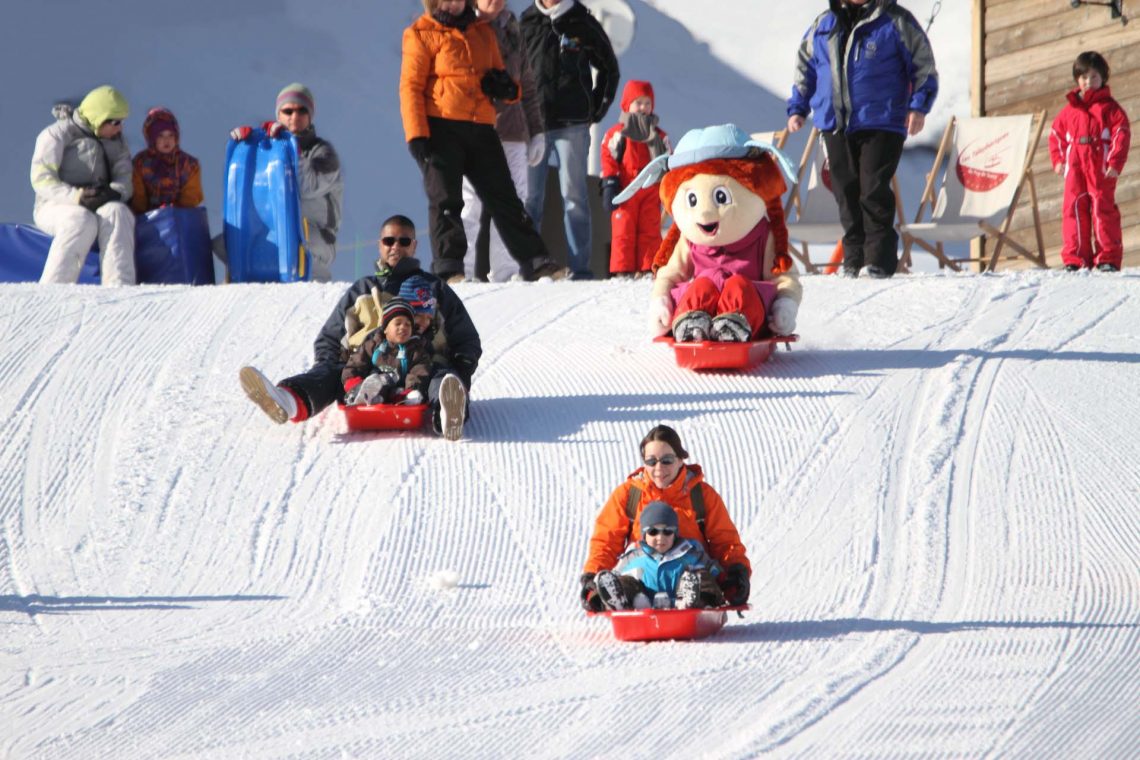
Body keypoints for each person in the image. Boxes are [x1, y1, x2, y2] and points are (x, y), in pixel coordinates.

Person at [239, 214, 480, 441]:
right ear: (380, 245)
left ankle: (447, 412)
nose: (396, 246)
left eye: (404, 241)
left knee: (443, 377)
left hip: (423, 368)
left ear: (414, 246)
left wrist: (460, 372)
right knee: (333, 373)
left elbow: (465, 337)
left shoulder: (433, 288)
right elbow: (330, 339)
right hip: (367, 371)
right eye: (389, 240)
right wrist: (329, 366)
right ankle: (289, 401)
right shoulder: (363, 290)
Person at [400, 0, 565, 283]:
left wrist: (505, 88)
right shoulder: (421, 32)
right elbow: (411, 86)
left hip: (481, 127)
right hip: (442, 126)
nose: (453, 4)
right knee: (447, 200)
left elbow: (503, 78)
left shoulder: (482, 32)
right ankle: (450, 267)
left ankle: (536, 261)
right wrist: (417, 134)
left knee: (505, 198)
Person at [786, 0, 937, 279]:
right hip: (835, 123)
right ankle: (854, 260)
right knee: (846, 191)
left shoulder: (895, 21)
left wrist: (917, 106)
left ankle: (878, 259)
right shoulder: (823, 25)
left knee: (873, 187)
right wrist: (798, 107)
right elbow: (805, 66)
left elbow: (923, 64)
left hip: (882, 121)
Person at [579, 425, 751, 612]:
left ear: (680, 459)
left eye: (667, 460)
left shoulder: (700, 496)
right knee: (626, 582)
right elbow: (606, 541)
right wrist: (592, 578)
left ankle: (692, 600)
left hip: (689, 573)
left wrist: (735, 572)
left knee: (702, 581)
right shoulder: (630, 495)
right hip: (643, 579)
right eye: (651, 461)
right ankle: (623, 599)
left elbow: (724, 541)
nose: (659, 468)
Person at [520, 0, 620, 279]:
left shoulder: (581, 21)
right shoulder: (527, 22)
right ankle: (530, 266)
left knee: (574, 197)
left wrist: (595, 110)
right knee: (530, 200)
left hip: (572, 125)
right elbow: (510, 68)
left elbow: (609, 67)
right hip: (533, 126)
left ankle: (580, 270)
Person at [460, 0, 547, 283]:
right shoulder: (463, 25)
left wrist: (536, 130)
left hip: (513, 132)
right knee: (470, 203)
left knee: (513, 204)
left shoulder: (512, 27)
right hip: (475, 128)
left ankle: (506, 270)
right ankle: (462, 271)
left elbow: (528, 83)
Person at [228, 83, 343, 282]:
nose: (294, 116)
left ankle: (316, 297)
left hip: (315, 237)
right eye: (288, 111)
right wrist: (244, 147)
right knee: (229, 240)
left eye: (301, 111)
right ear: (278, 115)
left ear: (310, 115)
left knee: (296, 245)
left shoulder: (324, 154)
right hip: (277, 228)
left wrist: (289, 147)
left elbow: (307, 187)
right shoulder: (270, 149)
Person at [30, 85, 136, 285]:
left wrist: (113, 193)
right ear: (98, 118)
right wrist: (75, 197)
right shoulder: (57, 135)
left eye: (122, 122)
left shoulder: (116, 142)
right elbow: (42, 178)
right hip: (55, 204)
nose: (119, 128)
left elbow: (125, 177)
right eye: (115, 122)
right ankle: (54, 287)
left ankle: (120, 286)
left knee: (118, 213)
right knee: (80, 220)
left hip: (98, 201)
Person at [1049, 51, 1130, 273]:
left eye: (1094, 77)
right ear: (1077, 79)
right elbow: (1056, 135)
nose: (1088, 82)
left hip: (1099, 165)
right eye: (1084, 77)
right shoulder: (1070, 110)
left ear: (1103, 78)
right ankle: (1076, 258)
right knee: (1073, 209)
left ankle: (1108, 257)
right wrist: (1058, 160)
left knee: (1102, 209)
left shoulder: (1110, 108)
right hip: (1075, 164)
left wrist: (1114, 162)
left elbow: (1121, 133)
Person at [593, 501, 725, 611]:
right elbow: (612, 579)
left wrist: (728, 582)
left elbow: (715, 572)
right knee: (626, 581)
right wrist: (596, 595)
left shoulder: (690, 553)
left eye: (667, 531)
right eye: (653, 532)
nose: (660, 538)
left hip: (686, 609)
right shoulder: (634, 556)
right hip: (643, 603)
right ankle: (624, 602)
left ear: (675, 533)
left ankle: (693, 602)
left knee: (700, 576)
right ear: (644, 535)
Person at [600, 80, 670, 278]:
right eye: (638, 103)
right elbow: (608, 156)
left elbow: (668, 159)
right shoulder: (617, 133)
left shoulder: (658, 135)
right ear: (627, 105)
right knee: (624, 229)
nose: (643, 108)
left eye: (647, 103)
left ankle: (648, 267)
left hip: (651, 189)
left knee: (650, 229)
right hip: (626, 189)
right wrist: (609, 182)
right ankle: (623, 269)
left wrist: (667, 182)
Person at [342, 298, 433, 406]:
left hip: (399, 391)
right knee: (374, 379)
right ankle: (362, 395)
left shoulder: (416, 351)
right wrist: (352, 381)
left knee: (400, 391)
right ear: (385, 329)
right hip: (369, 384)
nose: (403, 327)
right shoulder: (373, 345)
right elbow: (356, 364)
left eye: (408, 325)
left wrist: (411, 389)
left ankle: (401, 399)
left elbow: (418, 373)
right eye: (398, 323)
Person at [130, 107, 204, 214]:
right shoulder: (140, 163)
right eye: (160, 136)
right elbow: (138, 198)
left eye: (171, 135)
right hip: (148, 220)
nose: (167, 140)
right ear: (152, 138)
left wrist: (175, 210)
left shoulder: (189, 164)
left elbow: (191, 196)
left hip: (181, 219)